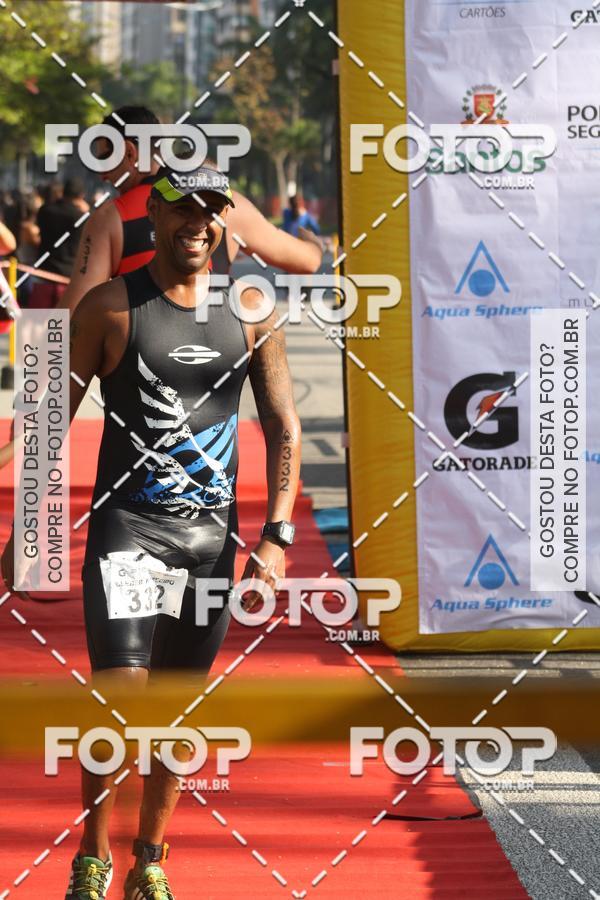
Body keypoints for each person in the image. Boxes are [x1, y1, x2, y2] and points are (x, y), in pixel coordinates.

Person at [1, 162, 301, 898]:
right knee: (120, 696)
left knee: (176, 708)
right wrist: (25, 530)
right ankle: (91, 859)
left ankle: (150, 861)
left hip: (210, 541)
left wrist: (277, 534)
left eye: (210, 211)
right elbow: (50, 420)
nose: (197, 223)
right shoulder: (110, 306)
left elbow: (284, 426)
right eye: (183, 209)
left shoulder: (252, 309)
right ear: (155, 217)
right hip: (127, 532)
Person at [56, 104, 323, 313]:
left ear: (128, 152)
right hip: (215, 355)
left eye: (104, 159)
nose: (102, 174)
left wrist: (38, 364)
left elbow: (72, 314)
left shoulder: (110, 218)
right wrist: (312, 241)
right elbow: (308, 262)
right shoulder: (229, 204)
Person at [30, 177, 87, 308]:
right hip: (67, 279)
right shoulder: (81, 217)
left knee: (35, 320)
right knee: (62, 321)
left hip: (43, 276)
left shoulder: (44, 211)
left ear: (63, 192)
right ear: (81, 196)